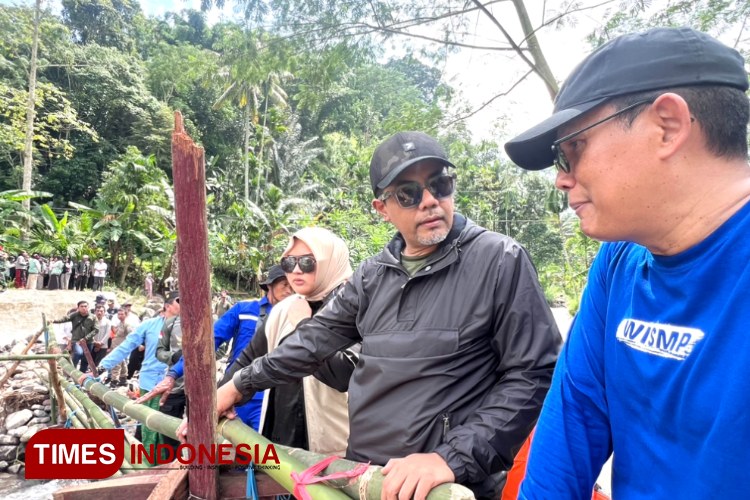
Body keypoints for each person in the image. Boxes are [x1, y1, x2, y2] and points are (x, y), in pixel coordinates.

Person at [155, 131, 561, 498]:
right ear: (381, 207)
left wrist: (449, 458)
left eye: (440, 184)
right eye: (408, 193)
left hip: (446, 485)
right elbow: (315, 338)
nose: (430, 200)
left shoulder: (499, 260)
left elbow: (532, 374)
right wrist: (238, 385)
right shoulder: (373, 275)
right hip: (366, 476)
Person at [504, 27, 750, 499]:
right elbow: (573, 422)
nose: (561, 178)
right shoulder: (618, 263)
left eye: (571, 149)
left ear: (667, 126)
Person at [226, 227, 358, 455]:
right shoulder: (284, 309)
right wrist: (220, 398)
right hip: (281, 445)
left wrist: (302, 324)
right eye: (289, 263)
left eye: (307, 262)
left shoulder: (355, 308)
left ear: (330, 262)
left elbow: (342, 375)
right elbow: (247, 359)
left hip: (335, 450)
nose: (296, 270)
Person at [143, 266, 293, 430]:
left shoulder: (297, 316)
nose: (289, 290)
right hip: (235, 392)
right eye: (284, 284)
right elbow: (208, 343)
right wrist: (173, 374)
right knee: (229, 447)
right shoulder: (244, 310)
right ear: (269, 285)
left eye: (293, 285)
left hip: (272, 397)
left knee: (264, 450)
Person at [51, 301, 98, 370]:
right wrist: (54, 321)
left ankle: (82, 375)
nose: (84, 308)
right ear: (78, 308)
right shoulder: (75, 315)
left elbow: (96, 329)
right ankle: (72, 369)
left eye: (85, 306)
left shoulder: (93, 317)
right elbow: (65, 318)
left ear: (88, 307)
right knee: (78, 353)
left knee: (86, 358)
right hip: (77, 340)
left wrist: (86, 338)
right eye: (81, 306)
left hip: (88, 341)